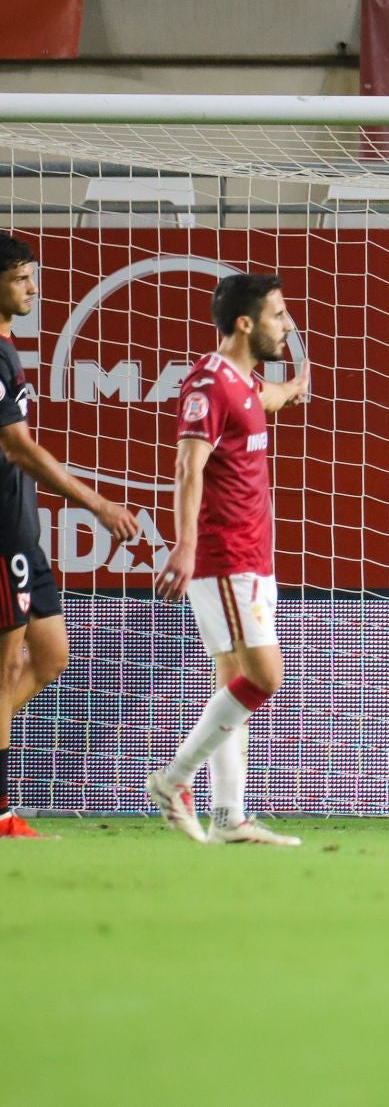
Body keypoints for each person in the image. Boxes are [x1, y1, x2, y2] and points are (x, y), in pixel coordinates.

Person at [146, 272, 309, 845]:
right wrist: (185, 546)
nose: (287, 324)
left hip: (253, 555)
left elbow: (263, 399)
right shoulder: (208, 384)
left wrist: (294, 387)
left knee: (234, 682)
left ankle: (229, 817)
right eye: (278, 315)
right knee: (265, 677)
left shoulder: (243, 381)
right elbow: (189, 465)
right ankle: (172, 779)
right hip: (224, 555)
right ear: (245, 323)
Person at [0, 236, 139, 837]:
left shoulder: (9, 348)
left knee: (49, 655)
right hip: (0, 533)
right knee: (7, 669)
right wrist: (98, 501)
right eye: (23, 278)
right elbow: (15, 445)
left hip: (21, 528)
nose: (34, 288)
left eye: (35, 276)